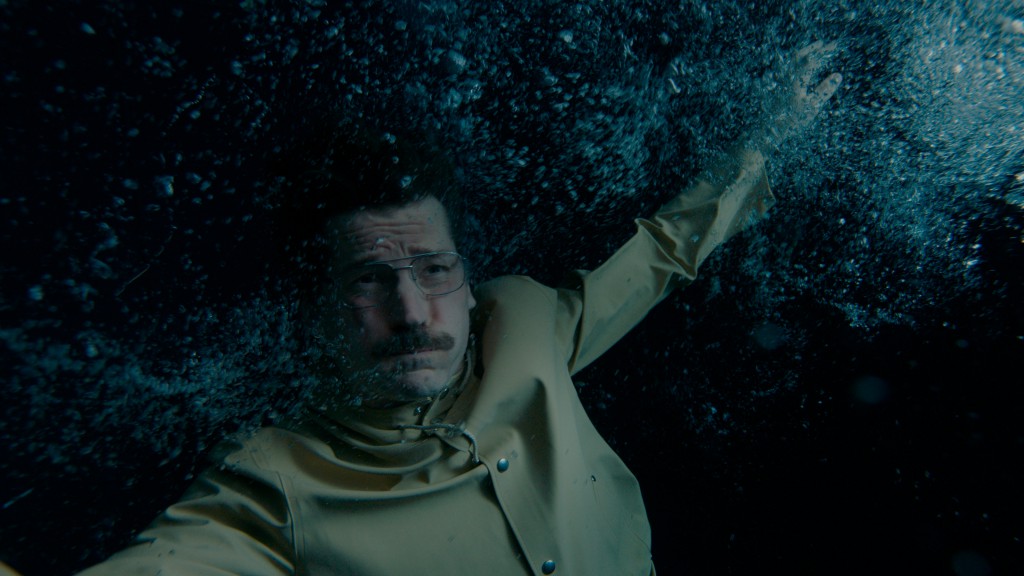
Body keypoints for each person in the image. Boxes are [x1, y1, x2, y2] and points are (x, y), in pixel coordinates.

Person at [58, 43, 841, 576]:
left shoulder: (526, 320)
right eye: (368, 282)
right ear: (314, 310)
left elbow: (663, 251)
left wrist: (766, 141)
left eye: (433, 270)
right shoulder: (272, 482)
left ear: (467, 283)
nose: (411, 311)